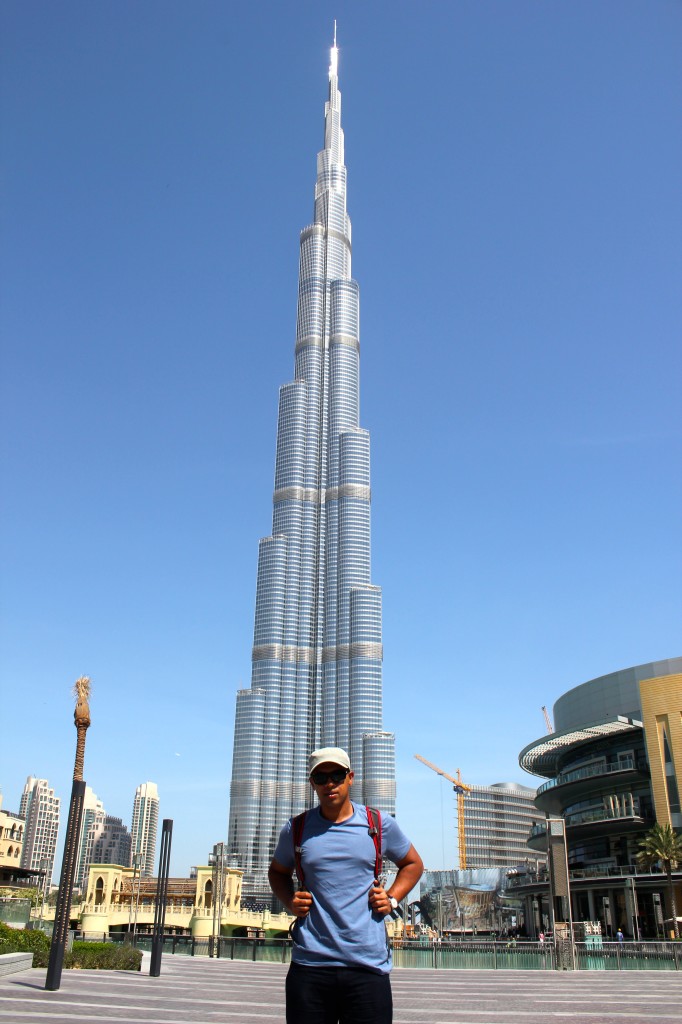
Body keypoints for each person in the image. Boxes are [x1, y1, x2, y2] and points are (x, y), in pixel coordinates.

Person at [269, 746, 424, 1024]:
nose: (329, 784)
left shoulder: (378, 824)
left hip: (366, 966)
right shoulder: (297, 828)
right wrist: (289, 901)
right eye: (321, 778)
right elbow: (277, 872)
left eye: (337, 776)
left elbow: (413, 864)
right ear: (312, 783)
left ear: (350, 777)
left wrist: (392, 899)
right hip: (310, 966)